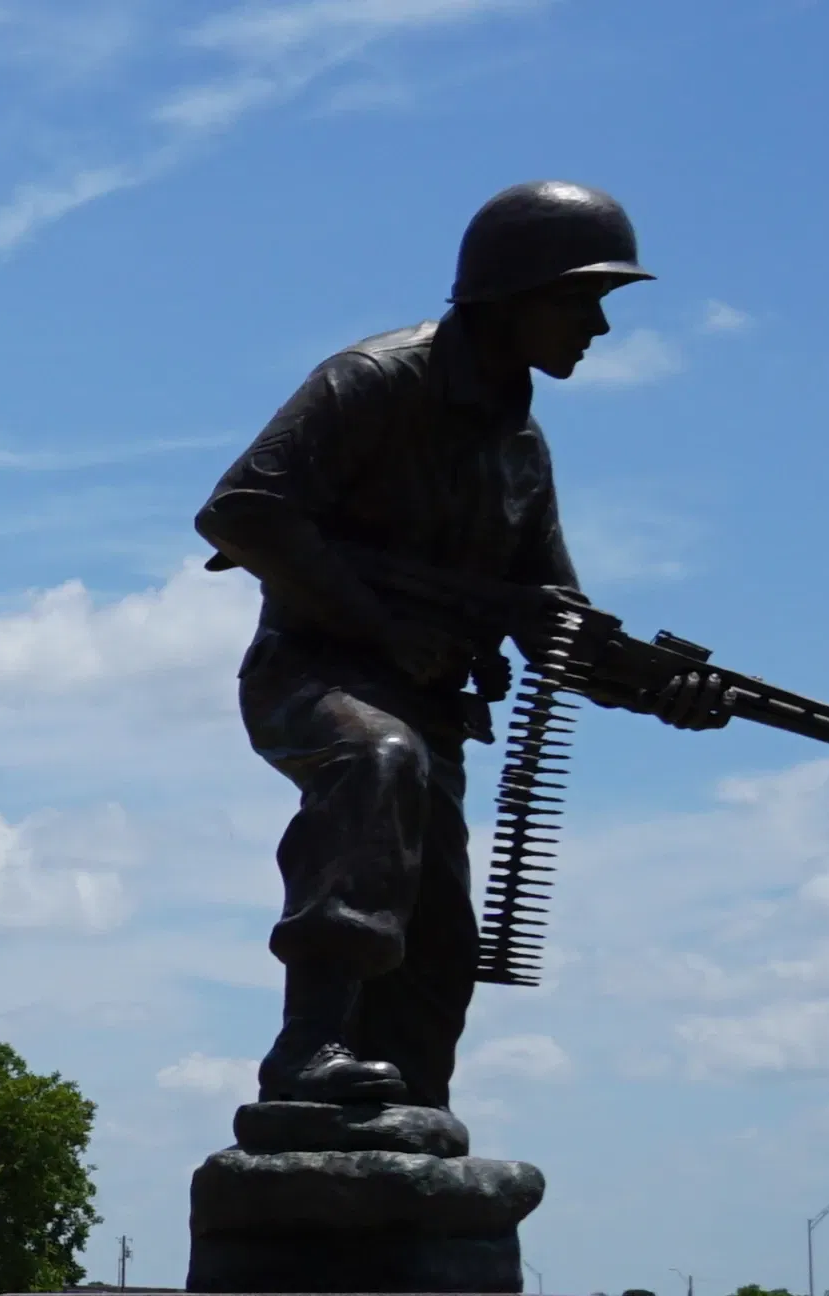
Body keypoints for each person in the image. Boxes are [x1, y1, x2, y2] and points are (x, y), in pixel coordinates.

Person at [197, 180, 709, 1110]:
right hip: (315, 676)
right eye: (581, 299)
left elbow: (553, 616)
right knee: (374, 761)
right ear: (511, 295)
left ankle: (405, 1121)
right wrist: (384, 626)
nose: (597, 328)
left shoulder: (520, 446)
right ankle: (303, 1054)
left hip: (432, 712)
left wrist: (654, 688)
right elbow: (243, 512)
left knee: (436, 948)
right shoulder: (374, 379)